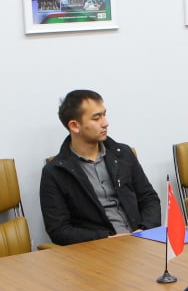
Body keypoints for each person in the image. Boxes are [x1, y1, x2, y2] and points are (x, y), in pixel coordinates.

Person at [40, 89, 161, 245]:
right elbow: (59, 230)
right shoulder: (56, 172)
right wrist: (105, 239)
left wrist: (144, 229)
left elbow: (149, 199)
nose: (105, 123)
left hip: (140, 240)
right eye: (96, 118)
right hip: (97, 249)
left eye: (104, 115)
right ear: (74, 126)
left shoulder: (123, 154)